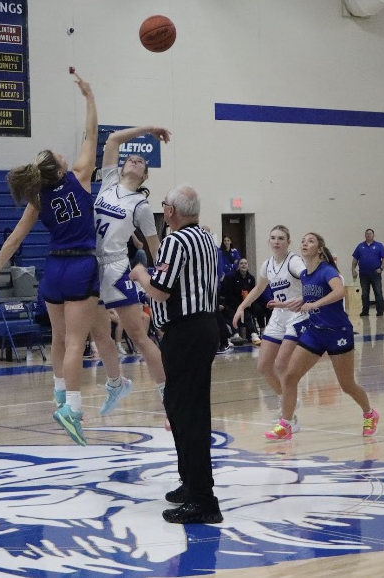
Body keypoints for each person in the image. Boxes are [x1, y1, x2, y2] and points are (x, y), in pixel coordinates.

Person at [0, 72, 129, 446]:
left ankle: (68, 391)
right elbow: (91, 134)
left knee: (72, 336)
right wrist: (90, 95)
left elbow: (14, 240)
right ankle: (72, 409)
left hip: (53, 270)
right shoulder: (79, 176)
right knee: (79, 342)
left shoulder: (37, 199)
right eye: (60, 155)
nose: (66, 153)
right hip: (81, 265)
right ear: (60, 169)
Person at [130, 184, 224, 525]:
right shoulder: (207, 239)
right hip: (203, 328)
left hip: (186, 332)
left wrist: (141, 274)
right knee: (182, 407)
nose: (163, 208)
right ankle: (192, 483)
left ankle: (203, 499)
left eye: (164, 204)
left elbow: (161, 290)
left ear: (171, 211)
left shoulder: (175, 241)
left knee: (189, 414)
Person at [265, 233, 379, 440]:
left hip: (338, 333)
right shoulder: (306, 276)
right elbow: (307, 299)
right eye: (303, 241)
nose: (304, 243)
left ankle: (370, 414)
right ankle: (286, 424)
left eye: (310, 241)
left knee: (347, 385)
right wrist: (283, 304)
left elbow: (339, 292)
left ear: (319, 249)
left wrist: (315, 305)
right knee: (290, 377)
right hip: (315, 332)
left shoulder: (327, 271)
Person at [92, 125, 172, 415]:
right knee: (100, 335)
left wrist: (164, 278)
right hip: (92, 265)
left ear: (145, 176)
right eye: (131, 159)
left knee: (138, 335)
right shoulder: (109, 179)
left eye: (142, 162)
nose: (135, 161)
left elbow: (155, 245)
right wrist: (148, 130)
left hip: (115, 267)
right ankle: (116, 383)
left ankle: (167, 390)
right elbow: (113, 139)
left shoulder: (141, 205)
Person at [232, 226, 307, 433]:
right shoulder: (267, 264)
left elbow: (309, 278)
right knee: (264, 366)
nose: (276, 242)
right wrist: (241, 307)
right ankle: (288, 400)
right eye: (273, 238)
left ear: (288, 242)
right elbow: (258, 288)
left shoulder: (294, 261)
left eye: (281, 238)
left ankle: (289, 418)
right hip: (278, 316)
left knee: (282, 364)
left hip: (297, 315)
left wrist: (304, 299)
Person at [221, 258, 260, 345]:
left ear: (248, 266)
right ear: (238, 266)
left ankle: (254, 334)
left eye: (245, 263)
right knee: (231, 313)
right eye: (241, 263)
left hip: (244, 303)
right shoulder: (232, 277)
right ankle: (236, 335)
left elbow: (253, 293)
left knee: (249, 312)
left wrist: (248, 303)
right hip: (232, 303)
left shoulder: (251, 278)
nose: (243, 265)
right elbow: (228, 293)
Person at [351, 228, 384, 317]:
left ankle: (380, 311)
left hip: (375, 273)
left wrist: (381, 268)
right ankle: (365, 311)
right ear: (365, 235)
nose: (369, 235)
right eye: (367, 234)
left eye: (370, 233)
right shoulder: (360, 246)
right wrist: (353, 269)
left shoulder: (379, 246)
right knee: (364, 293)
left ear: (373, 235)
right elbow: (355, 259)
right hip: (363, 274)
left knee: (378, 292)